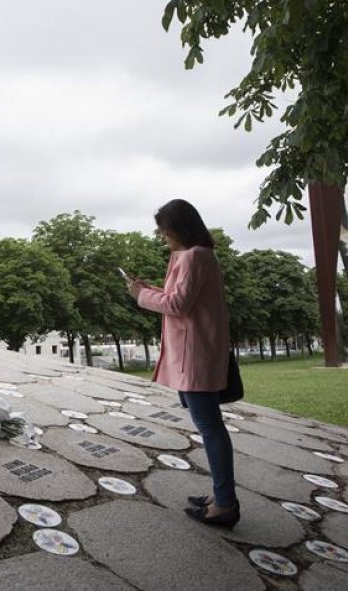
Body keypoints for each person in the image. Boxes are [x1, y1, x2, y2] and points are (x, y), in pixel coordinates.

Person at [125, 198, 239, 528]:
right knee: (210, 426)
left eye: (166, 232)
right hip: (197, 351)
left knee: (210, 427)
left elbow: (178, 304)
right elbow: (180, 296)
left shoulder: (194, 257)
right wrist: (148, 289)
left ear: (180, 229)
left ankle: (226, 503)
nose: (164, 238)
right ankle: (221, 495)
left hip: (196, 355)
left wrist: (140, 296)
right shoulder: (196, 255)